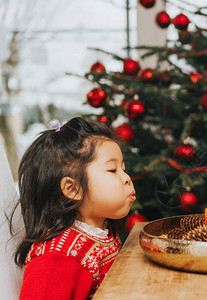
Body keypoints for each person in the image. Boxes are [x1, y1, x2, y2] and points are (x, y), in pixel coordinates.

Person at [9, 117, 136, 300]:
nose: (127, 178)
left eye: (123, 169)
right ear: (73, 189)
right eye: (112, 170)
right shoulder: (57, 258)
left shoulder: (103, 231)